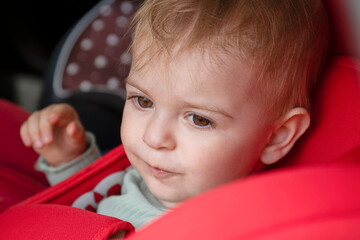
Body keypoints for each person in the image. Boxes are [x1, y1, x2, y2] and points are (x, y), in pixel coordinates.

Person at [20, 0, 329, 232]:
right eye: (143, 100)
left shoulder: (216, 229)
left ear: (277, 136)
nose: (154, 137)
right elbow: (103, 203)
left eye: (199, 119)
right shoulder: (165, 176)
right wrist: (71, 161)